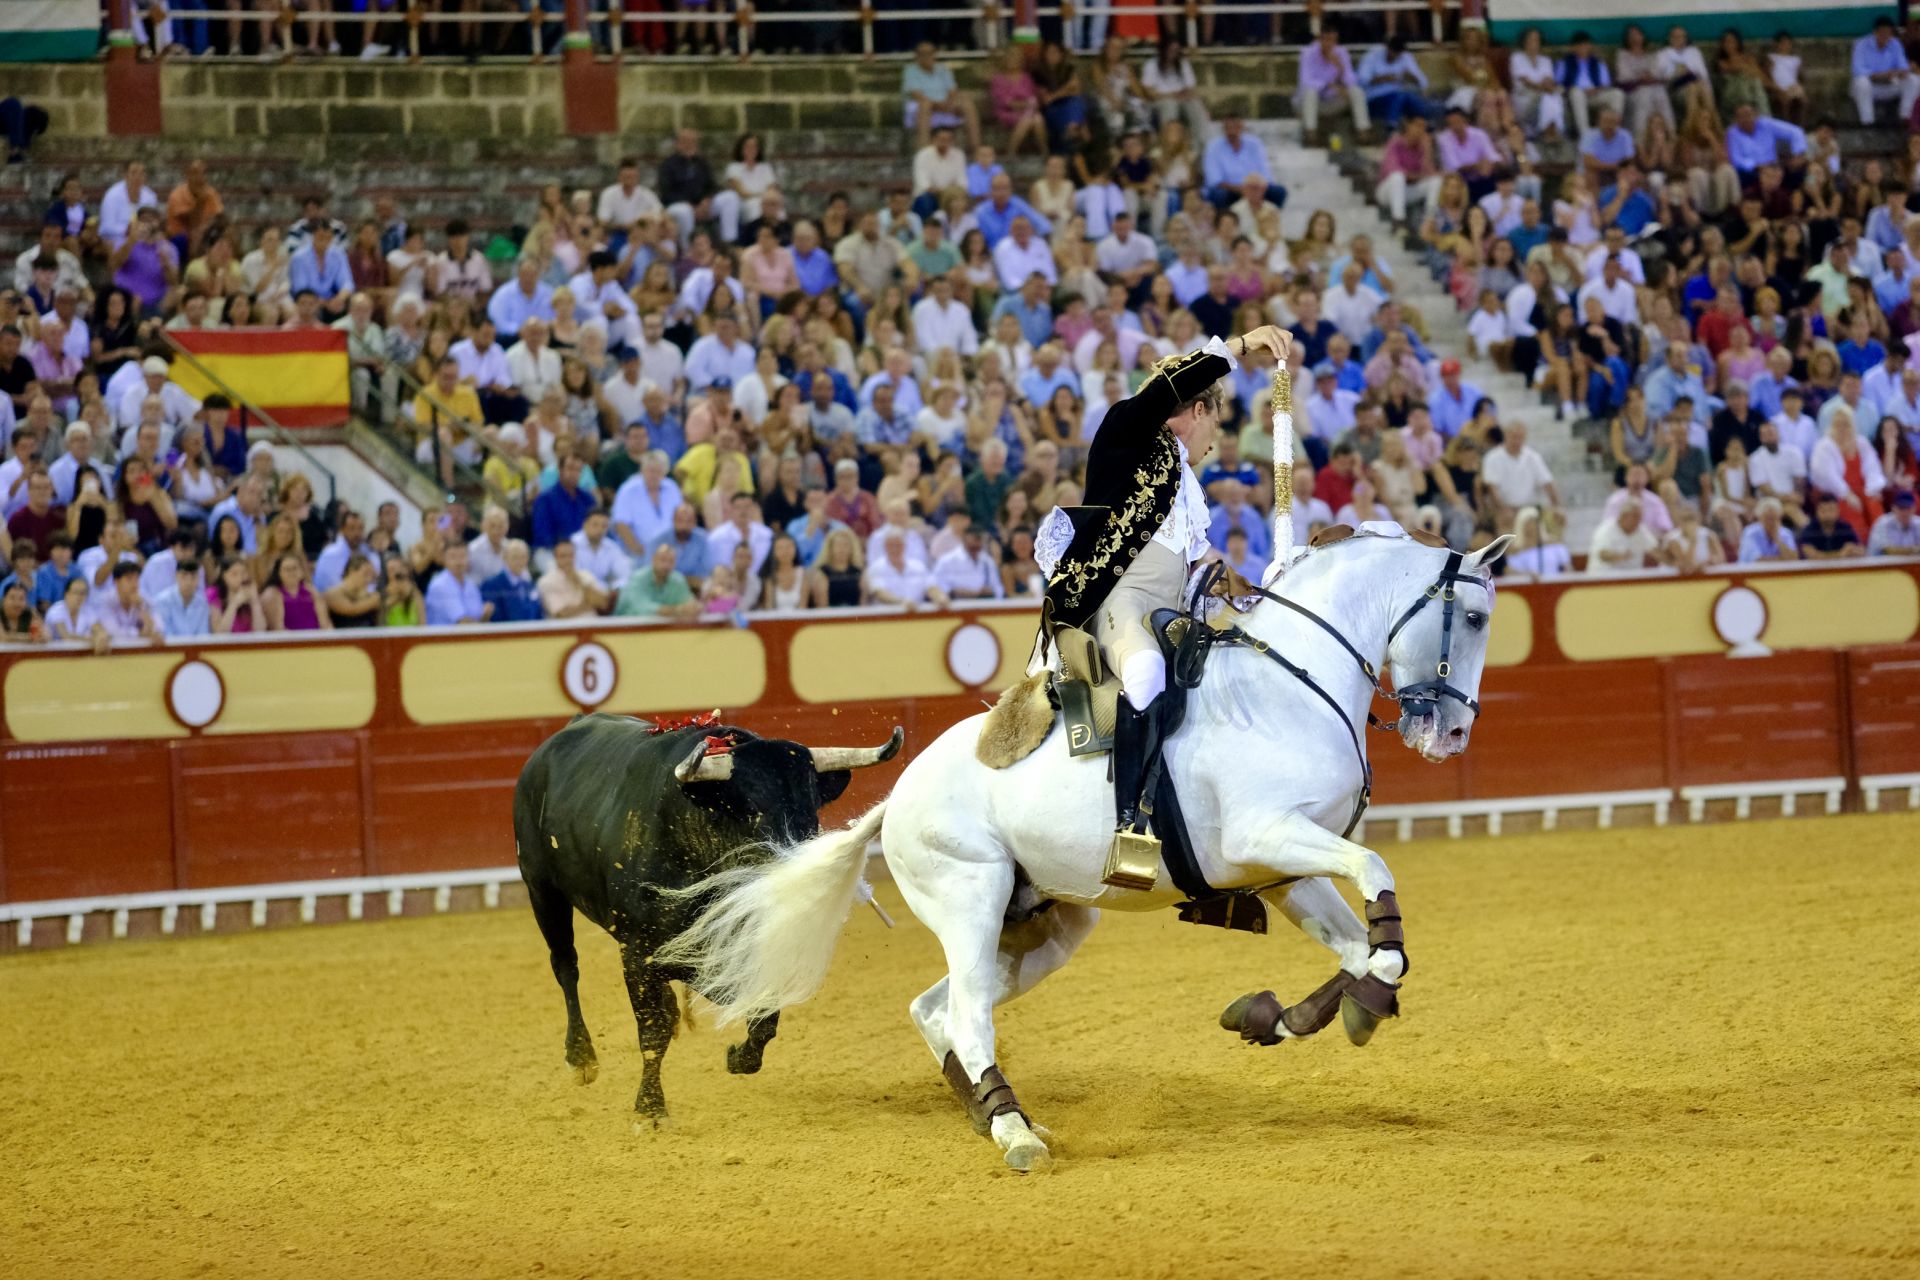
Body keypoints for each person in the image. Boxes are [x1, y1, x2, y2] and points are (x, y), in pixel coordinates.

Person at [1036, 321, 1289, 876]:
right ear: (1196, 410)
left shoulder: (1185, 482)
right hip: (1119, 606)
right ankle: (1129, 826)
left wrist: (1267, 594)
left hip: (1172, 610)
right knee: (1146, 672)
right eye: (1214, 424)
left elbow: (1204, 562)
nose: (1213, 443)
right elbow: (1161, 393)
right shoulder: (1127, 431)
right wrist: (1243, 345)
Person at [1850, 17, 1920, 125]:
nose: (1885, 36)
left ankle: (1905, 118)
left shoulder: (1895, 44)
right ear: (1875, 32)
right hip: (1870, 86)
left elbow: (1903, 67)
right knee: (1861, 82)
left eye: (1888, 33)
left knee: (1914, 80)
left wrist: (1898, 73)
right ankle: (1868, 122)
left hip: (1890, 84)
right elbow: (1858, 70)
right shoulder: (1861, 44)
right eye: (1882, 32)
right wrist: (1880, 75)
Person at [616, 542, 700, 620]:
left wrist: (694, 607)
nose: (667, 565)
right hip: (625, 628)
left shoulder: (677, 579)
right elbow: (641, 608)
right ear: (653, 560)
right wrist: (676, 610)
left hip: (661, 629)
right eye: (663, 560)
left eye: (671, 561)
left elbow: (689, 603)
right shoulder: (638, 578)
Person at [424, 540, 489, 625]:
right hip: (443, 637)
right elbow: (462, 622)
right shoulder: (440, 586)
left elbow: (479, 616)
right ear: (444, 559)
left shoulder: (471, 584)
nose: (458, 562)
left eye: (462, 556)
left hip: (469, 636)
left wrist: (485, 615)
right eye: (453, 557)